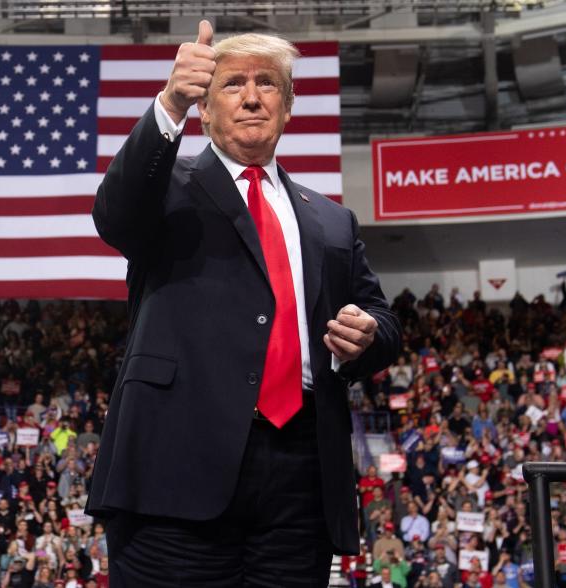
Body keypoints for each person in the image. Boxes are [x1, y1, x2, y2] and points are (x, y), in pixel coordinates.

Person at [85, 19, 400, 587]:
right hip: (174, 468)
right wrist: (168, 103)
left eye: (267, 84)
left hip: (301, 477)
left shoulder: (331, 218)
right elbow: (114, 213)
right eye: (232, 84)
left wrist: (368, 333)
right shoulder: (167, 188)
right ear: (205, 108)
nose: (252, 96)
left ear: (288, 106)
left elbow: (383, 320)